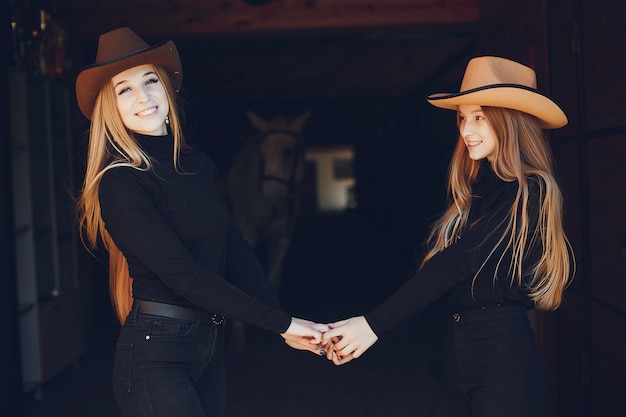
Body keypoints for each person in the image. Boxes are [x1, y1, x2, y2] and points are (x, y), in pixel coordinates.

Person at [75, 27, 327, 417]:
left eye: (150, 80)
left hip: (208, 343)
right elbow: (184, 275)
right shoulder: (121, 181)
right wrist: (282, 325)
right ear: (111, 107)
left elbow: (235, 247)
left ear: (168, 88)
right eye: (124, 89)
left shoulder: (198, 165)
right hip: (157, 353)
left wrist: (281, 321)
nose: (143, 96)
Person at [322, 56, 575, 417]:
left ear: (510, 121)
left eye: (479, 117)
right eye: (462, 117)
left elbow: (459, 261)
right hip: (456, 358)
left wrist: (372, 325)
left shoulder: (530, 190)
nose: (465, 130)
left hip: (503, 362)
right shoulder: (479, 188)